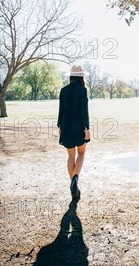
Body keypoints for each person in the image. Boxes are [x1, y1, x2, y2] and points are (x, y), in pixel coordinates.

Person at [57, 65, 90, 199]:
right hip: (79, 127)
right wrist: (86, 129)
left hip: (66, 127)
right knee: (81, 153)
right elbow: (84, 111)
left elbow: (61, 110)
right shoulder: (83, 90)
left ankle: (73, 184)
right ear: (81, 76)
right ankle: (75, 178)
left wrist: (59, 126)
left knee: (71, 156)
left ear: (70, 76)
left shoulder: (63, 90)